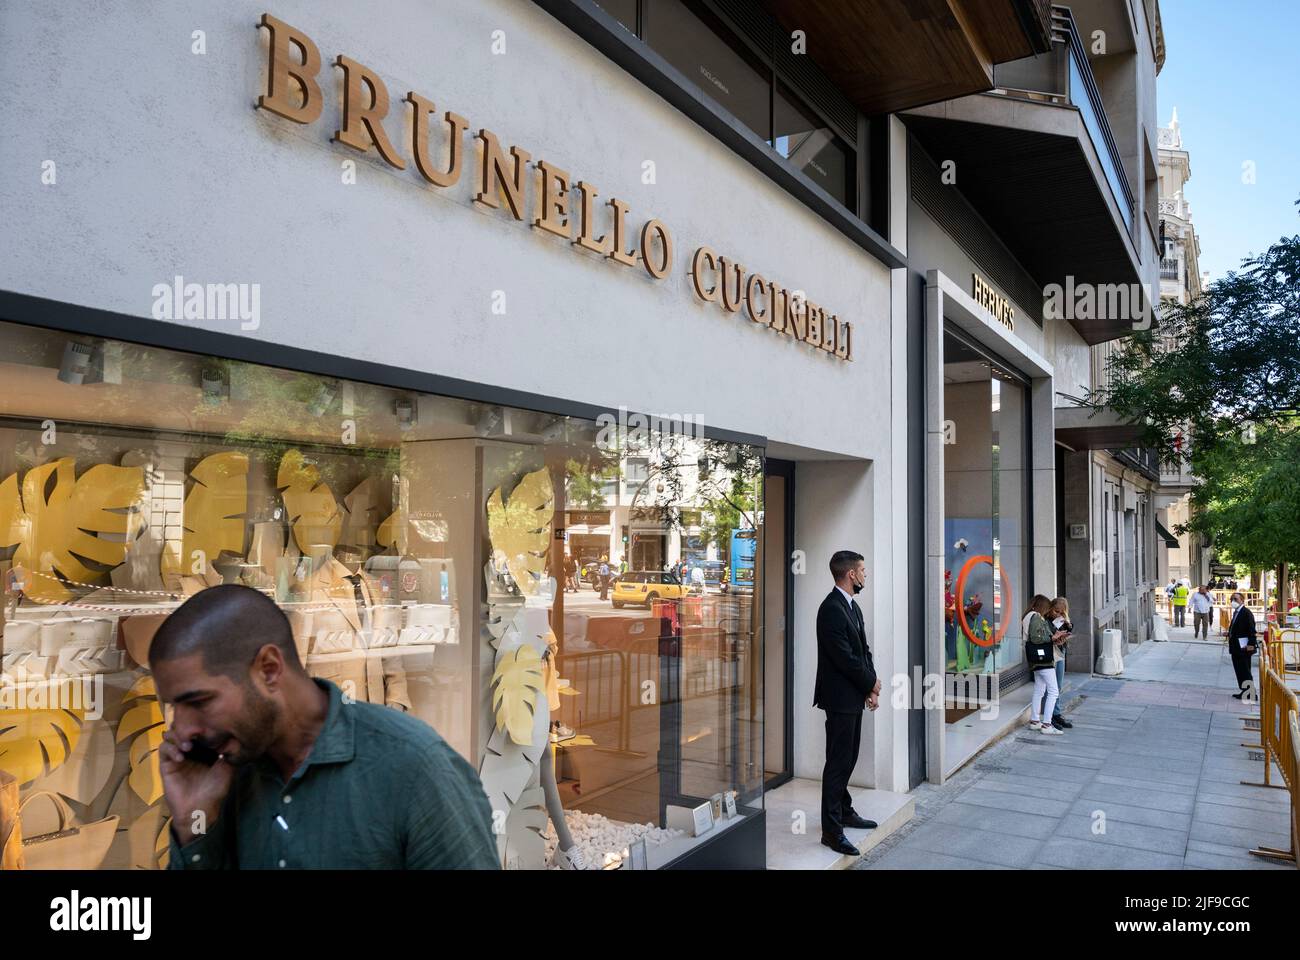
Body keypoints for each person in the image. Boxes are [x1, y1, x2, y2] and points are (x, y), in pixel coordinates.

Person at [151, 584, 498, 869]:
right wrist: (194, 824)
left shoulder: (413, 767)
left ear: (269, 669)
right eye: (174, 707)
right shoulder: (222, 776)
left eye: (198, 702)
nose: (182, 730)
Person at [813, 550, 879, 856]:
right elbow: (844, 659)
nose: (866, 575)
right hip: (839, 699)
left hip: (854, 695)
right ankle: (831, 830)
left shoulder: (851, 606)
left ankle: (844, 810)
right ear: (850, 574)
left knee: (848, 758)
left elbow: (863, 651)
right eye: (863, 570)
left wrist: (872, 685)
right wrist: (870, 683)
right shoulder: (831, 609)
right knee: (838, 763)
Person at [1023, 595, 1062, 735]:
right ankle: (1046, 725)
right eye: (1046, 608)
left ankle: (1035, 721)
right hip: (1043, 660)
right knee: (1053, 691)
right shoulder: (1036, 617)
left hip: (1036, 660)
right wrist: (1052, 638)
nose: (1047, 611)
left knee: (1039, 690)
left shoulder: (1029, 616)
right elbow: (1036, 638)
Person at [1044, 597, 1074, 730]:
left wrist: (1067, 623)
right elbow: (1046, 637)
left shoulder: (1061, 620)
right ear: (1051, 608)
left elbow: (1068, 631)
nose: (1058, 614)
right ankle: (1049, 715)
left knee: (1058, 685)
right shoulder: (1045, 620)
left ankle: (1056, 714)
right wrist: (1055, 639)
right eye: (1056, 611)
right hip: (1050, 655)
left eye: (1062, 612)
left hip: (1060, 653)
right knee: (1050, 687)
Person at [1226, 592, 1257, 699]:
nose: (1233, 601)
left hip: (1243, 648)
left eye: (1235, 599)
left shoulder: (1246, 613)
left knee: (1245, 670)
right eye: (1231, 599)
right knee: (1239, 670)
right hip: (1236, 647)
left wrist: (1251, 645)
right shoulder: (1237, 612)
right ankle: (1245, 691)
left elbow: (1252, 631)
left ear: (1242, 600)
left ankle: (1251, 693)